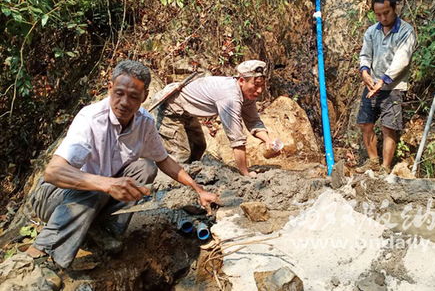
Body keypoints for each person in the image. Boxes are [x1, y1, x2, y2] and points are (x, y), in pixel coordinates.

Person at [25, 60, 219, 269]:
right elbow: (53, 172)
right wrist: (107, 184)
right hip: (53, 197)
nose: (124, 102)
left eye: (133, 96)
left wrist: (198, 190)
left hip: (96, 197)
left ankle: (105, 231)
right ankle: (45, 252)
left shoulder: (144, 123)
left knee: (145, 168)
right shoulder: (90, 119)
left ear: (144, 97)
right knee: (96, 187)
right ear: (110, 89)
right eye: (119, 93)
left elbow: (163, 160)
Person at [156, 60, 278, 177]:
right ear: (241, 81)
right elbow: (236, 139)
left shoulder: (246, 94)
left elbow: (253, 121)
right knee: (180, 155)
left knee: (199, 146)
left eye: (262, 85)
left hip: (187, 112)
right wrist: (245, 173)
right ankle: (167, 184)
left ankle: (188, 179)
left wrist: (267, 140)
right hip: (172, 110)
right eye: (256, 85)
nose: (260, 90)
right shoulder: (229, 97)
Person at [355, 0, 417, 174]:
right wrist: (365, 71)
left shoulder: (406, 32)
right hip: (371, 85)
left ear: (394, 8)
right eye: (378, 14)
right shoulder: (372, 31)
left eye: (386, 13)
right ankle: (373, 161)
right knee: (365, 123)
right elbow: (365, 54)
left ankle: (385, 167)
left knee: (389, 127)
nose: (382, 17)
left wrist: (384, 80)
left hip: (393, 87)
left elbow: (402, 60)